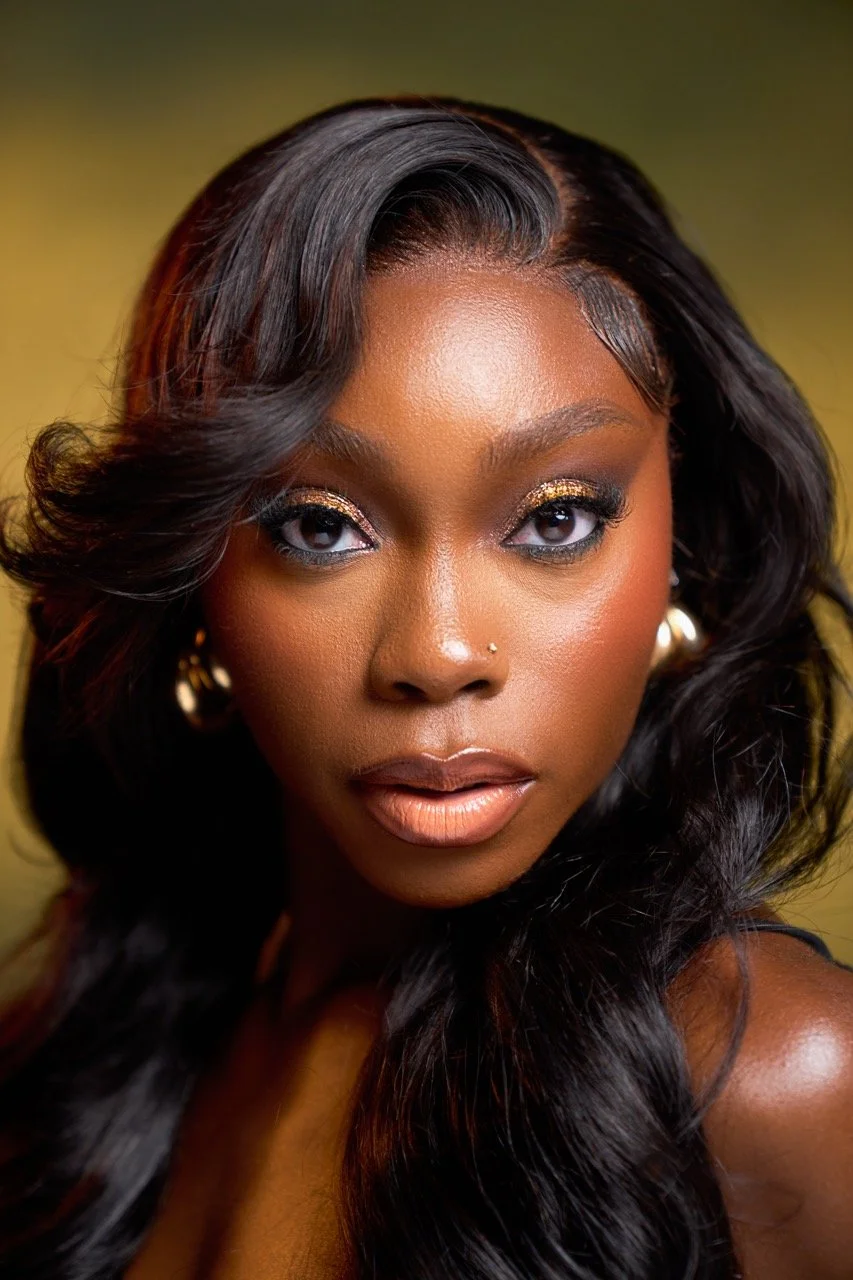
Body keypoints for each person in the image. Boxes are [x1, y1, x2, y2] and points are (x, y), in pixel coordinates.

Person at [0, 95, 851, 1280]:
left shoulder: (769, 1072)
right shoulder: (94, 1058)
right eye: (318, 526)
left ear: (685, 544)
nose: (439, 652)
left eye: (555, 518)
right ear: (193, 579)